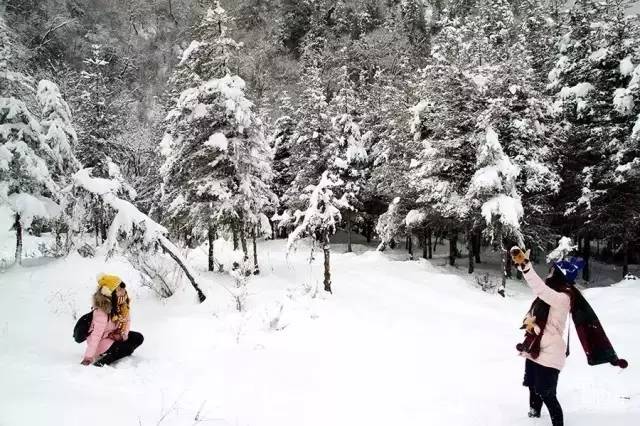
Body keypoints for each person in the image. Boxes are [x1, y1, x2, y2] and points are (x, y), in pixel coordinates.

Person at [510, 247, 570, 426]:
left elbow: (540, 289)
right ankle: (533, 417)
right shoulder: (547, 298)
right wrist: (530, 324)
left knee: (547, 393)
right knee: (532, 386)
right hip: (535, 348)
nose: (549, 275)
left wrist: (525, 267)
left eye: (552, 272)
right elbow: (535, 311)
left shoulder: (562, 298)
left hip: (551, 353)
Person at [81, 274, 144, 367]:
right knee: (126, 348)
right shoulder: (102, 312)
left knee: (138, 337)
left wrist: (123, 336)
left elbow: (127, 322)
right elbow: (96, 336)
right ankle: (105, 360)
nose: (123, 291)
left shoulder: (122, 305)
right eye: (118, 290)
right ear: (111, 294)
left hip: (114, 336)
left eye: (122, 287)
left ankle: (119, 351)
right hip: (101, 342)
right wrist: (88, 357)